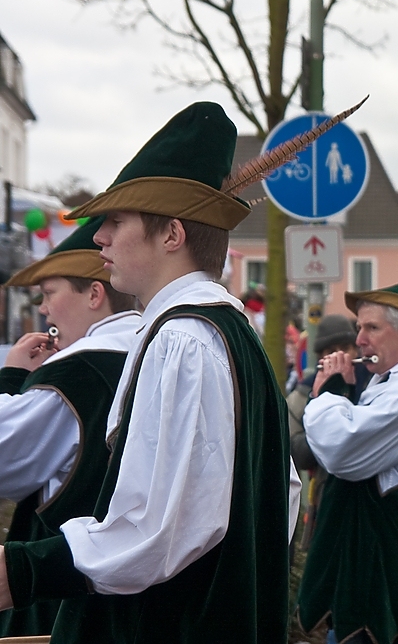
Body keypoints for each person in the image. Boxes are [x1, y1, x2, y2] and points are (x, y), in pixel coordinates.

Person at [0, 101, 296, 643]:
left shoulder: (184, 340)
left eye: (116, 221)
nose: (99, 239)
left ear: (172, 235)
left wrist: (20, 572)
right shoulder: (230, 333)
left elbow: (157, 530)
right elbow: (283, 497)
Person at [0, 217, 140, 638]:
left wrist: (10, 377)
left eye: (50, 293)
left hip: (63, 588)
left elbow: (5, 461)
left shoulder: (78, 368)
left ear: (94, 293)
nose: (43, 309)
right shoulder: (155, 344)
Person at [296, 279, 398, 644]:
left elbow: (342, 450)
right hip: (372, 575)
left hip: (389, 581)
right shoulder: (390, 384)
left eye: (372, 328)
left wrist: (331, 390)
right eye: (358, 329)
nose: (360, 340)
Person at [286, 313, 370, 550]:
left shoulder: (373, 385)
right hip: (325, 496)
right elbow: (295, 452)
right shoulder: (301, 395)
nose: (340, 355)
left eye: (345, 347)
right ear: (321, 356)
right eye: (331, 350)